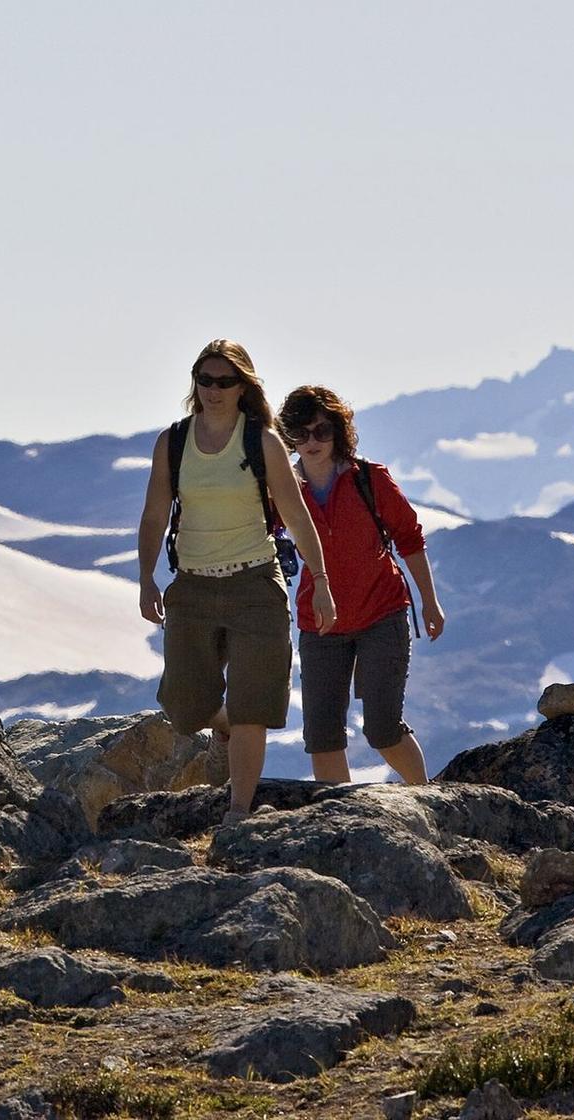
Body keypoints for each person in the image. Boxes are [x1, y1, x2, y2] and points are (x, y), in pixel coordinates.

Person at [138, 340, 335, 822]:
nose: (213, 389)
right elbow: (154, 514)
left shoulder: (262, 442)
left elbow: (295, 514)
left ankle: (239, 811)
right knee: (184, 706)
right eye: (204, 379)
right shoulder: (173, 442)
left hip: (255, 586)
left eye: (224, 381)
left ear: (243, 386)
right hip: (192, 587)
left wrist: (320, 579)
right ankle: (222, 723)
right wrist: (146, 578)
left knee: (253, 707)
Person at [276, 385, 446, 786]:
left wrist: (430, 602)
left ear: (338, 431)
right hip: (320, 623)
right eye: (300, 432)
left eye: (321, 430)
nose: (312, 441)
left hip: (381, 614)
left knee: (383, 730)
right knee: (322, 738)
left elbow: (410, 539)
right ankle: (342, 817)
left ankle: (428, 800)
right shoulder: (281, 490)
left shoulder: (369, 479)